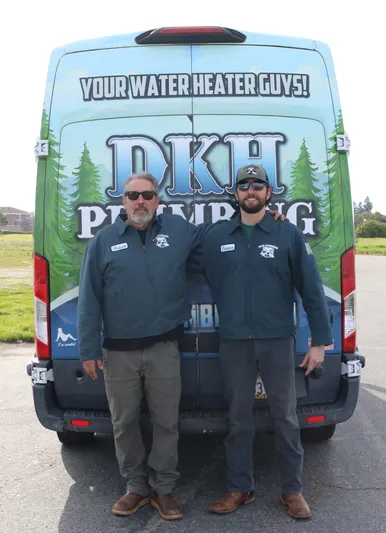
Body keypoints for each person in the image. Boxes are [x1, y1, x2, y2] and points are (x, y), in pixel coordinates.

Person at [77, 171, 284, 521]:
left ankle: (165, 490)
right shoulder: (104, 241)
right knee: (124, 422)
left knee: (166, 423)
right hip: (118, 353)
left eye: (147, 195)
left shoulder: (178, 230)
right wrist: (87, 349)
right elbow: (89, 298)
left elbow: (220, 235)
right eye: (132, 196)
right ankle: (135, 488)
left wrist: (264, 217)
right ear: (122, 202)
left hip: (163, 349)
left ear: (158, 201)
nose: (140, 201)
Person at [192, 164, 332, 520]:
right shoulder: (215, 236)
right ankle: (240, 488)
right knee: (238, 417)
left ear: (269, 193)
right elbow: (176, 259)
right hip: (234, 341)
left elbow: (311, 290)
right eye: (244, 185)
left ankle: (292, 490)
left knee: (285, 416)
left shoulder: (288, 235)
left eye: (257, 185)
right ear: (235, 193)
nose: (250, 191)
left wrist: (320, 340)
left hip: (276, 340)